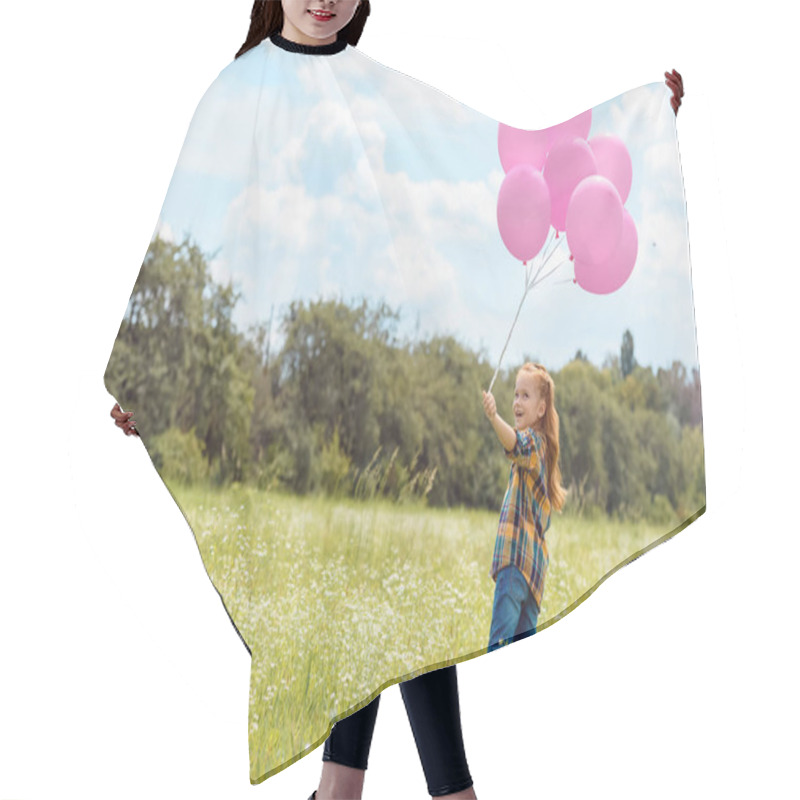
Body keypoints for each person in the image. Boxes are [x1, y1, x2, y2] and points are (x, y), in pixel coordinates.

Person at [109, 3, 686, 798]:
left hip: (367, 373)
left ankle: (355, 791)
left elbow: (464, 161)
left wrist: (641, 124)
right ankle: (417, 792)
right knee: (365, 613)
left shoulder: (375, 89)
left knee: (385, 610)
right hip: (291, 385)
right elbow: (195, 233)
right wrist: (149, 375)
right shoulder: (235, 93)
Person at [483, 363, 567, 654]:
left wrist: (494, 417)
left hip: (517, 566)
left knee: (498, 648)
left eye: (525, 396)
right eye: (515, 395)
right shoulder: (543, 450)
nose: (517, 402)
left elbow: (514, 443)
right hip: (534, 576)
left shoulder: (533, 443)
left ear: (541, 409)